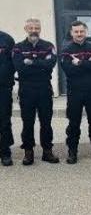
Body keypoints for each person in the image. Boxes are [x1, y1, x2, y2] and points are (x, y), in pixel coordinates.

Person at [11, 18, 59, 165]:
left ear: (40, 29)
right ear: (25, 29)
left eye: (36, 28)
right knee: (27, 123)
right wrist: (40, 64)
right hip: (26, 89)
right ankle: (28, 152)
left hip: (44, 88)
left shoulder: (49, 46)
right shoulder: (17, 47)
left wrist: (31, 63)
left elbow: (50, 64)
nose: (34, 31)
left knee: (46, 122)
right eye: (31, 28)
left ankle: (47, 151)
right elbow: (20, 68)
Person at [59, 20, 91, 163]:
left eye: (81, 31)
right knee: (74, 123)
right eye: (76, 31)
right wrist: (88, 63)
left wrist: (79, 62)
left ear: (86, 32)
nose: (79, 34)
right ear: (71, 33)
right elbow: (69, 70)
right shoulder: (66, 50)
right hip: (75, 92)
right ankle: (72, 151)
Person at [0, 29, 15, 166]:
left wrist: (7, 79)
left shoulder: (6, 39)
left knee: (4, 120)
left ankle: (5, 152)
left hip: (3, 87)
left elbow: (14, 62)